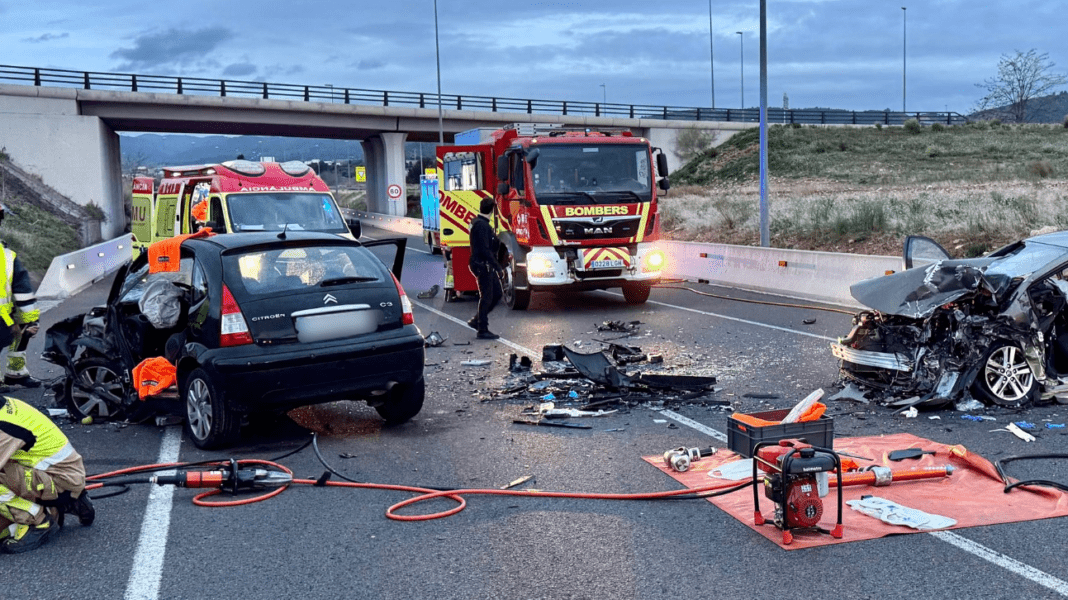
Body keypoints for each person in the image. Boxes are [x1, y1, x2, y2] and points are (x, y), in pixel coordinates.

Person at [0, 395, 94, 554]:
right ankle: (63, 505)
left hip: (58, 480)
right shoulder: (5, 405)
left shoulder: (3, 428)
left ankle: (38, 521)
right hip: (63, 475)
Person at [0, 204, 41, 389]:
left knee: (24, 327)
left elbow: (21, 289)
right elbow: (22, 289)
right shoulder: (6, 255)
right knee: (23, 328)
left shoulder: (7, 255)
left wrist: (29, 321)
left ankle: (16, 372)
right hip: (2, 319)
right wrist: (29, 322)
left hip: (3, 316)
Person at [467, 198, 504, 340]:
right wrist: (498, 267)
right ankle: (482, 329)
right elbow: (485, 249)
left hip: (483, 264)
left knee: (497, 294)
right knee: (487, 297)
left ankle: (477, 320)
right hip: (483, 265)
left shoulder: (479, 223)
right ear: (492, 210)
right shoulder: (482, 226)